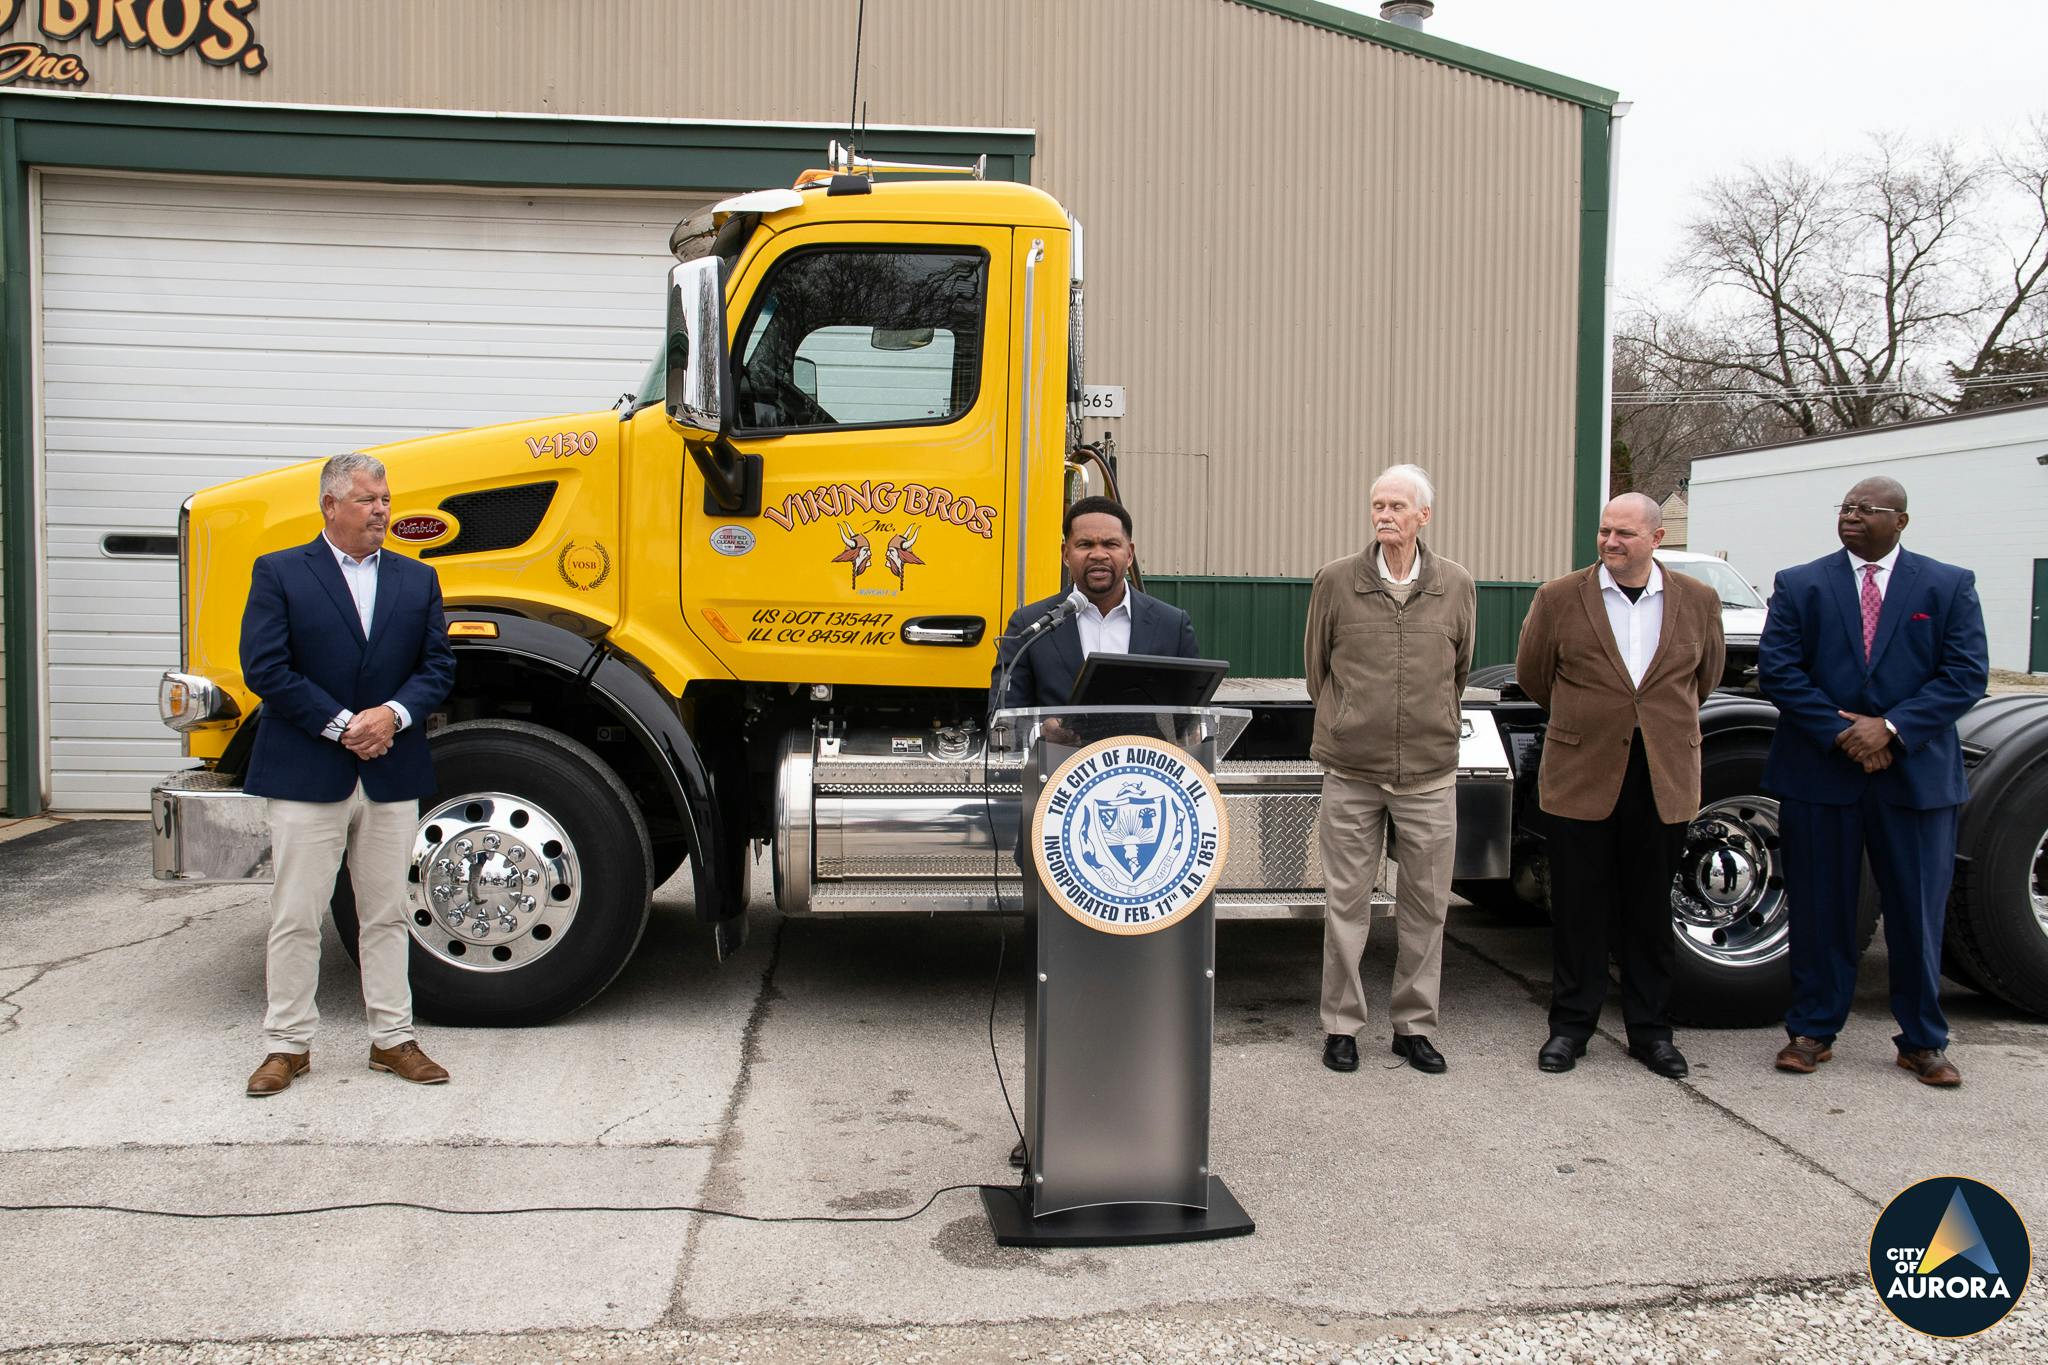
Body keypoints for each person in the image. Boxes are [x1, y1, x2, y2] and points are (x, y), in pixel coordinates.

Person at [239, 452, 457, 1097]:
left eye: (385, 499)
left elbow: (437, 668)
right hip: (308, 770)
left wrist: (390, 716)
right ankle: (287, 1047)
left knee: (388, 913)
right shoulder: (279, 572)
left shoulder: (417, 581)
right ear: (330, 505)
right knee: (296, 915)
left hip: (391, 770)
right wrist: (341, 726)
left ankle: (393, 1040)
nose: (382, 511)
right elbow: (265, 668)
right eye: (367, 500)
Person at [1759, 477, 1988, 1087]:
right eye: (1845, 508)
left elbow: (1965, 674)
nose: (1852, 517)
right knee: (1820, 910)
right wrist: (1844, 734)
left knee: (1916, 913)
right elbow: (1780, 671)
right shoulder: (1800, 583)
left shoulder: (1947, 585)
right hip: (1820, 775)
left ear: (1902, 521)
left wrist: (1889, 728)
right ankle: (1811, 1030)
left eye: (1868, 509)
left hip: (1914, 779)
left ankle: (1922, 1041)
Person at [1515, 492, 1723, 1079]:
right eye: (1605, 531)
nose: (1611, 542)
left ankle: (1652, 1033)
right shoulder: (1560, 598)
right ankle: (1570, 1029)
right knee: (1579, 909)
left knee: (1650, 912)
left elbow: (1702, 680)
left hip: (1661, 777)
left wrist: (1647, 724)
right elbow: (1535, 675)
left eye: (1625, 533)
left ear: (1657, 539)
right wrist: (1595, 724)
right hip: (1582, 775)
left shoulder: (1698, 601)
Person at [1305, 464, 1475, 1075]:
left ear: (1423, 516)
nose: (1384, 515)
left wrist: (1429, 722)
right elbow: (1315, 672)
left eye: (1397, 506)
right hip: (1351, 771)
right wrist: (1352, 721)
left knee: (1426, 908)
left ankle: (1414, 1027)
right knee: (1345, 905)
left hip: (1430, 773)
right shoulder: (1335, 582)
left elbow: (1459, 671)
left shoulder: (1455, 584)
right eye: (1378, 504)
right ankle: (1342, 1027)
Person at [990, 495, 1200, 711]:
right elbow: (1002, 722)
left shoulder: (1172, 626)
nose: (1098, 554)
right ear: (1065, 554)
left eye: (1110, 544)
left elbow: (1192, 721)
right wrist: (1041, 731)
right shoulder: (1029, 627)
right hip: (1057, 747)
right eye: (1085, 544)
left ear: (1129, 554)